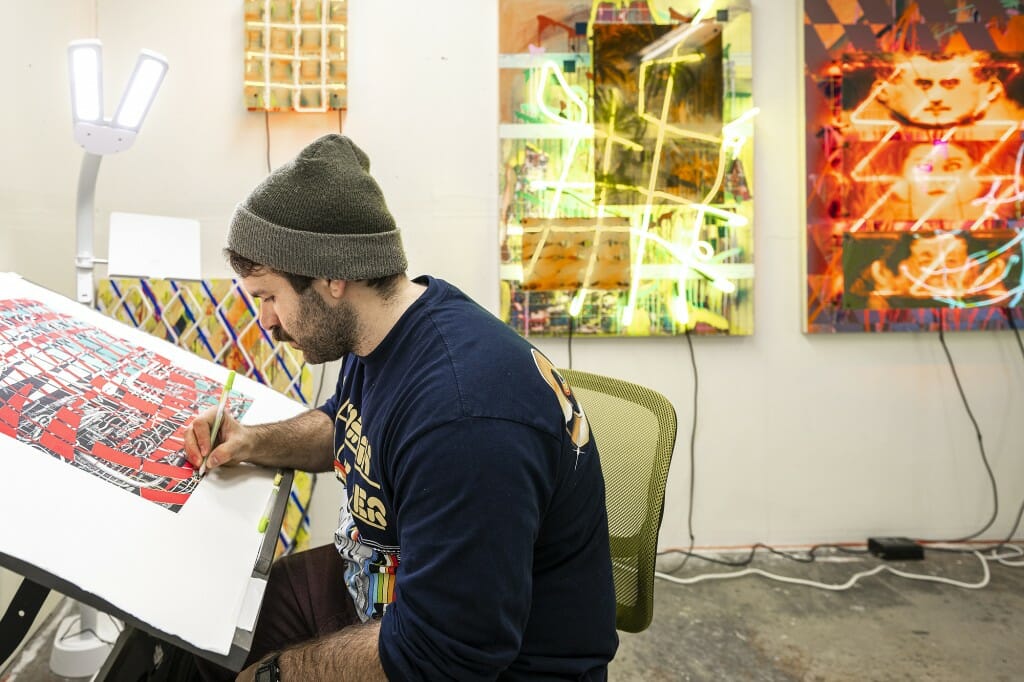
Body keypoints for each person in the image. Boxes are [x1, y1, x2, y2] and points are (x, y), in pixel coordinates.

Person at [184, 134, 619, 681]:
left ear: (332, 276)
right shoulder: (382, 334)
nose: (267, 321)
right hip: (376, 582)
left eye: (270, 296)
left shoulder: (463, 419)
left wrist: (276, 676)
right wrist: (253, 441)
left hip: (476, 662)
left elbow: (443, 655)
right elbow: (347, 423)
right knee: (206, 630)